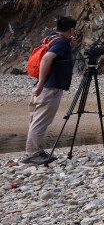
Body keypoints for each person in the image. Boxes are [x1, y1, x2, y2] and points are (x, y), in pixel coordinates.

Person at [22, 16, 79, 164]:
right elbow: (47, 59)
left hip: (42, 86)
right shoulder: (61, 42)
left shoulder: (49, 38)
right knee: (40, 121)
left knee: (35, 120)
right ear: (71, 29)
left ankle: (34, 150)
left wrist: (40, 83)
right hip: (49, 87)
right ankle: (32, 153)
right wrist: (41, 83)